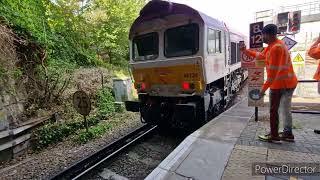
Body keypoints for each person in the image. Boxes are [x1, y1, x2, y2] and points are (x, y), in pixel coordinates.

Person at [240, 24, 298, 143]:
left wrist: (262, 90)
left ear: (268, 35)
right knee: (285, 109)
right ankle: (288, 133)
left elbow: (272, 75)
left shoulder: (276, 48)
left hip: (280, 84)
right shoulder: (274, 45)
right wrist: (245, 51)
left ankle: (274, 135)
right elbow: (260, 56)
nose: (261, 37)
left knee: (273, 110)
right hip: (288, 82)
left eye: (263, 35)